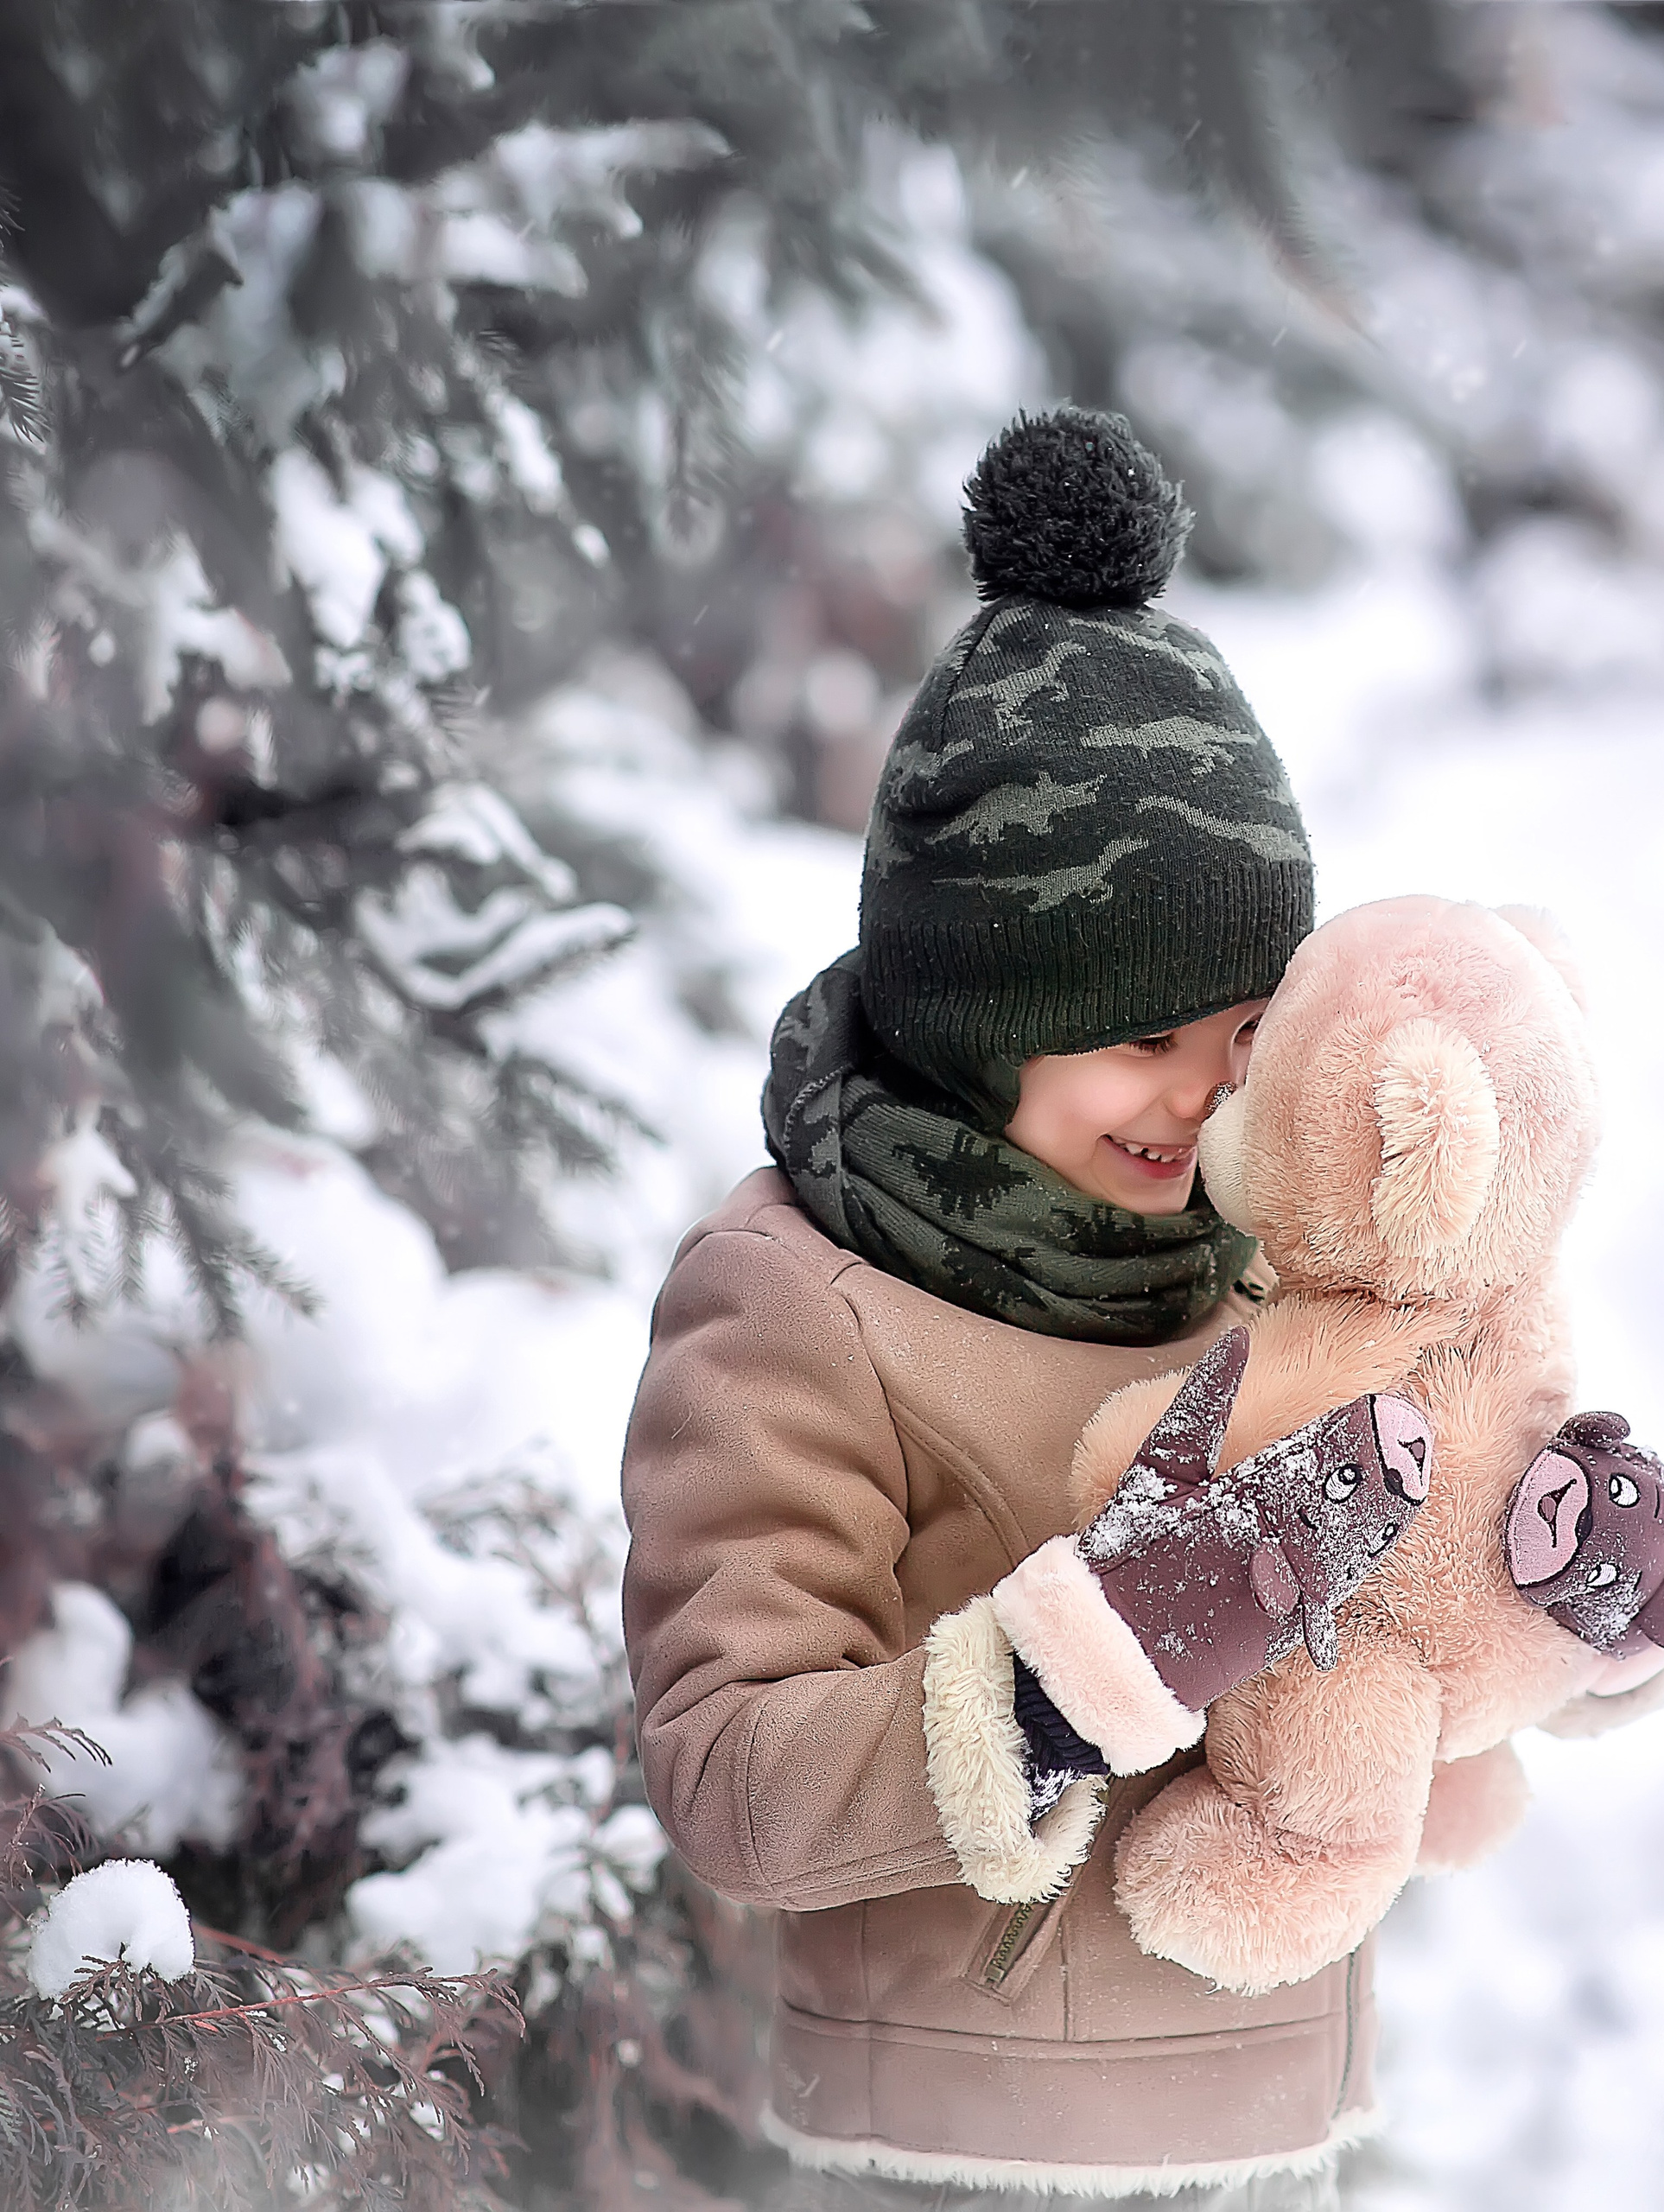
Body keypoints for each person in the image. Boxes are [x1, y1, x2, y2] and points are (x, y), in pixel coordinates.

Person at [620, 410, 1403, 2211]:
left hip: (1277, 2124)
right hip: (955, 2151)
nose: (1203, 1095)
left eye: (1244, 1032)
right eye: (1142, 1036)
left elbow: (1389, 1640)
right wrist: (1068, 1676)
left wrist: (1540, 1570)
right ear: (984, 1014)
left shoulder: (1263, 1254)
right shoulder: (800, 1302)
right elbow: (727, 1767)